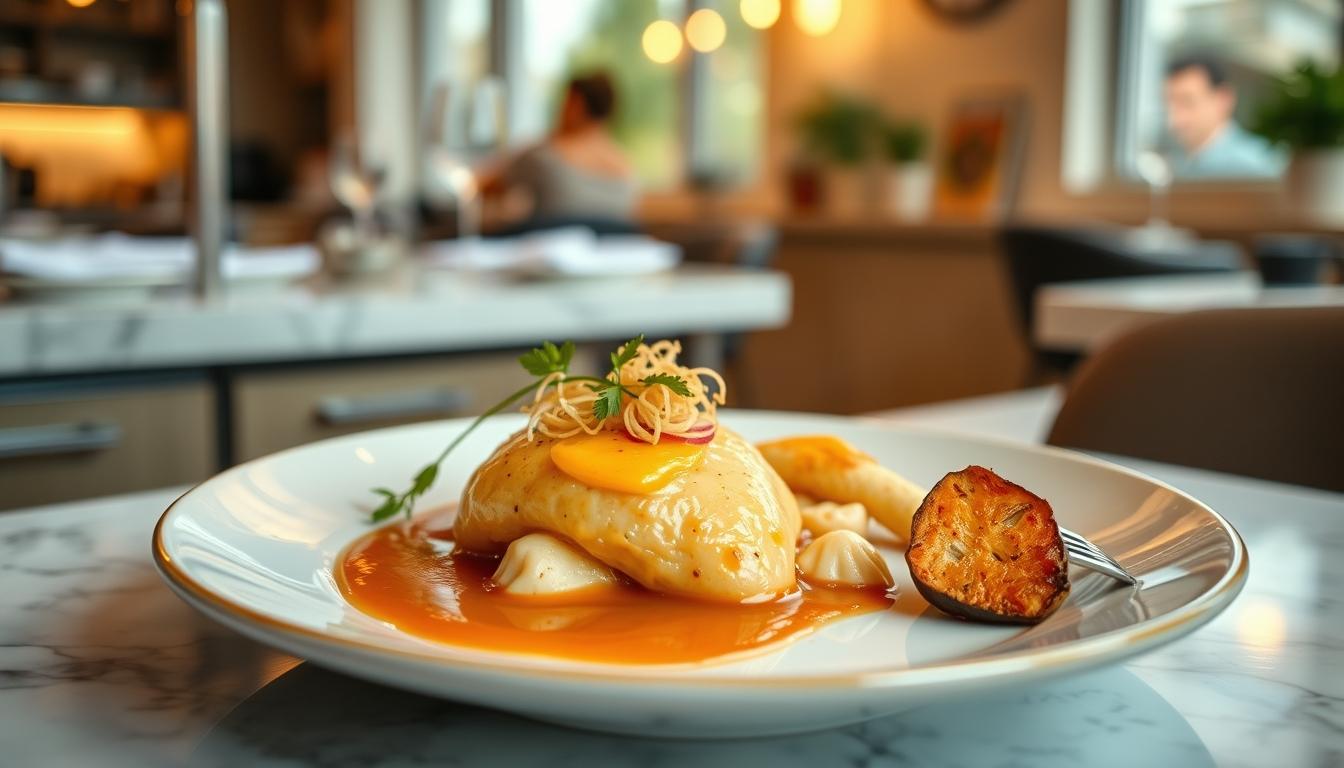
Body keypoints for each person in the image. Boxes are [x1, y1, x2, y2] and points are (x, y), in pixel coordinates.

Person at [479, 72, 638, 228]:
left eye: (564, 102)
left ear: (576, 104)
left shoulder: (544, 156)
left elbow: (483, 187)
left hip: (546, 249)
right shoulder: (626, 169)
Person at [1163, 56, 1285, 180]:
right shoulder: (1180, 165)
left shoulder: (1257, 165)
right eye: (1169, 103)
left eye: (1187, 102)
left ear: (1223, 99)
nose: (1175, 117)